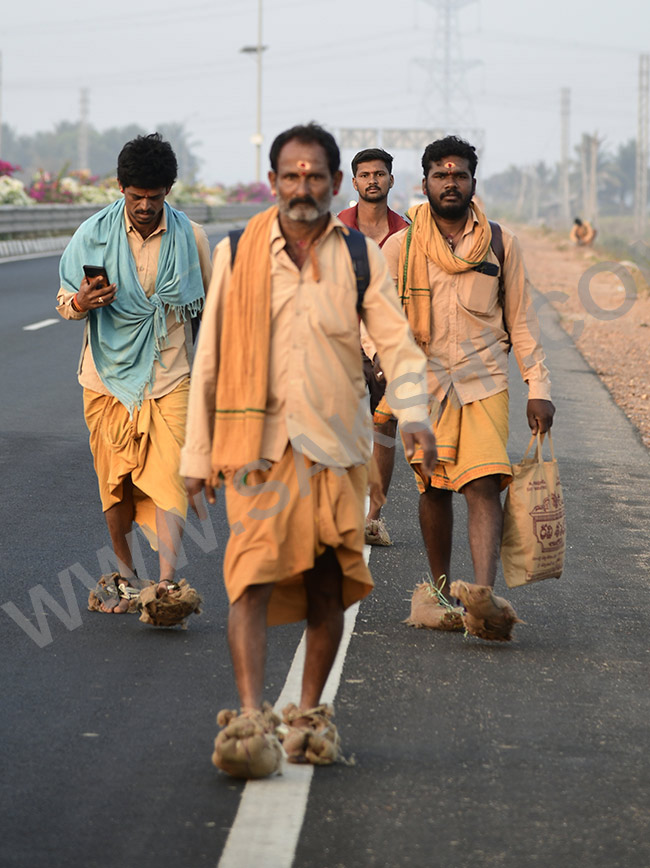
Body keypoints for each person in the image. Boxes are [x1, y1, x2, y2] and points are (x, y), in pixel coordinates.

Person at [181, 122, 436, 778]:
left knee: (329, 585)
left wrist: (413, 411)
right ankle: (248, 715)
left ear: (335, 183)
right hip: (256, 449)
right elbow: (208, 358)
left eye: (315, 176)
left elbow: (398, 341)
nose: (302, 187)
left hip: (335, 449)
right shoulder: (235, 254)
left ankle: (309, 716)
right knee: (250, 578)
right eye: (290, 176)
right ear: (273, 182)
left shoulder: (358, 255)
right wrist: (195, 455)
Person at [379, 135, 555, 640]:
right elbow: (378, 313)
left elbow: (521, 320)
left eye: (459, 175)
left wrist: (538, 384)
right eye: (440, 175)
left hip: (484, 381)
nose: (450, 183)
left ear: (473, 182)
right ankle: (439, 594)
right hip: (424, 384)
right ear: (426, 182)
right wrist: (376, 359)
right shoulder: (402, 245)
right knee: (434, 487)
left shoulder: (501, 243)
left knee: (482, 483)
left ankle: (481, 599)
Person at [57, 132, 212, 615]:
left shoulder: (191, 237)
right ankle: (125, 573)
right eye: (136, 196)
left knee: (172, 477)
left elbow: (204, 310)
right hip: (104, 378)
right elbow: (67, 302)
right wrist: (83, 301)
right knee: (115, 481)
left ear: (169, 190)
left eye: (155, 197)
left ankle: (165, 583)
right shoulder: (92, 234)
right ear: (121, 187)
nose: (145, 206)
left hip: (171, 376)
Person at [338, 148, 409, 547]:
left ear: (390, 181)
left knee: (384, 428)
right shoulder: (334, 229)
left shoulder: (408, 233)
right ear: (354, 183)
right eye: (364, 175)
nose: (372, 181)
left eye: (379, 174)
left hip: (387, 346)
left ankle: (372, 517)